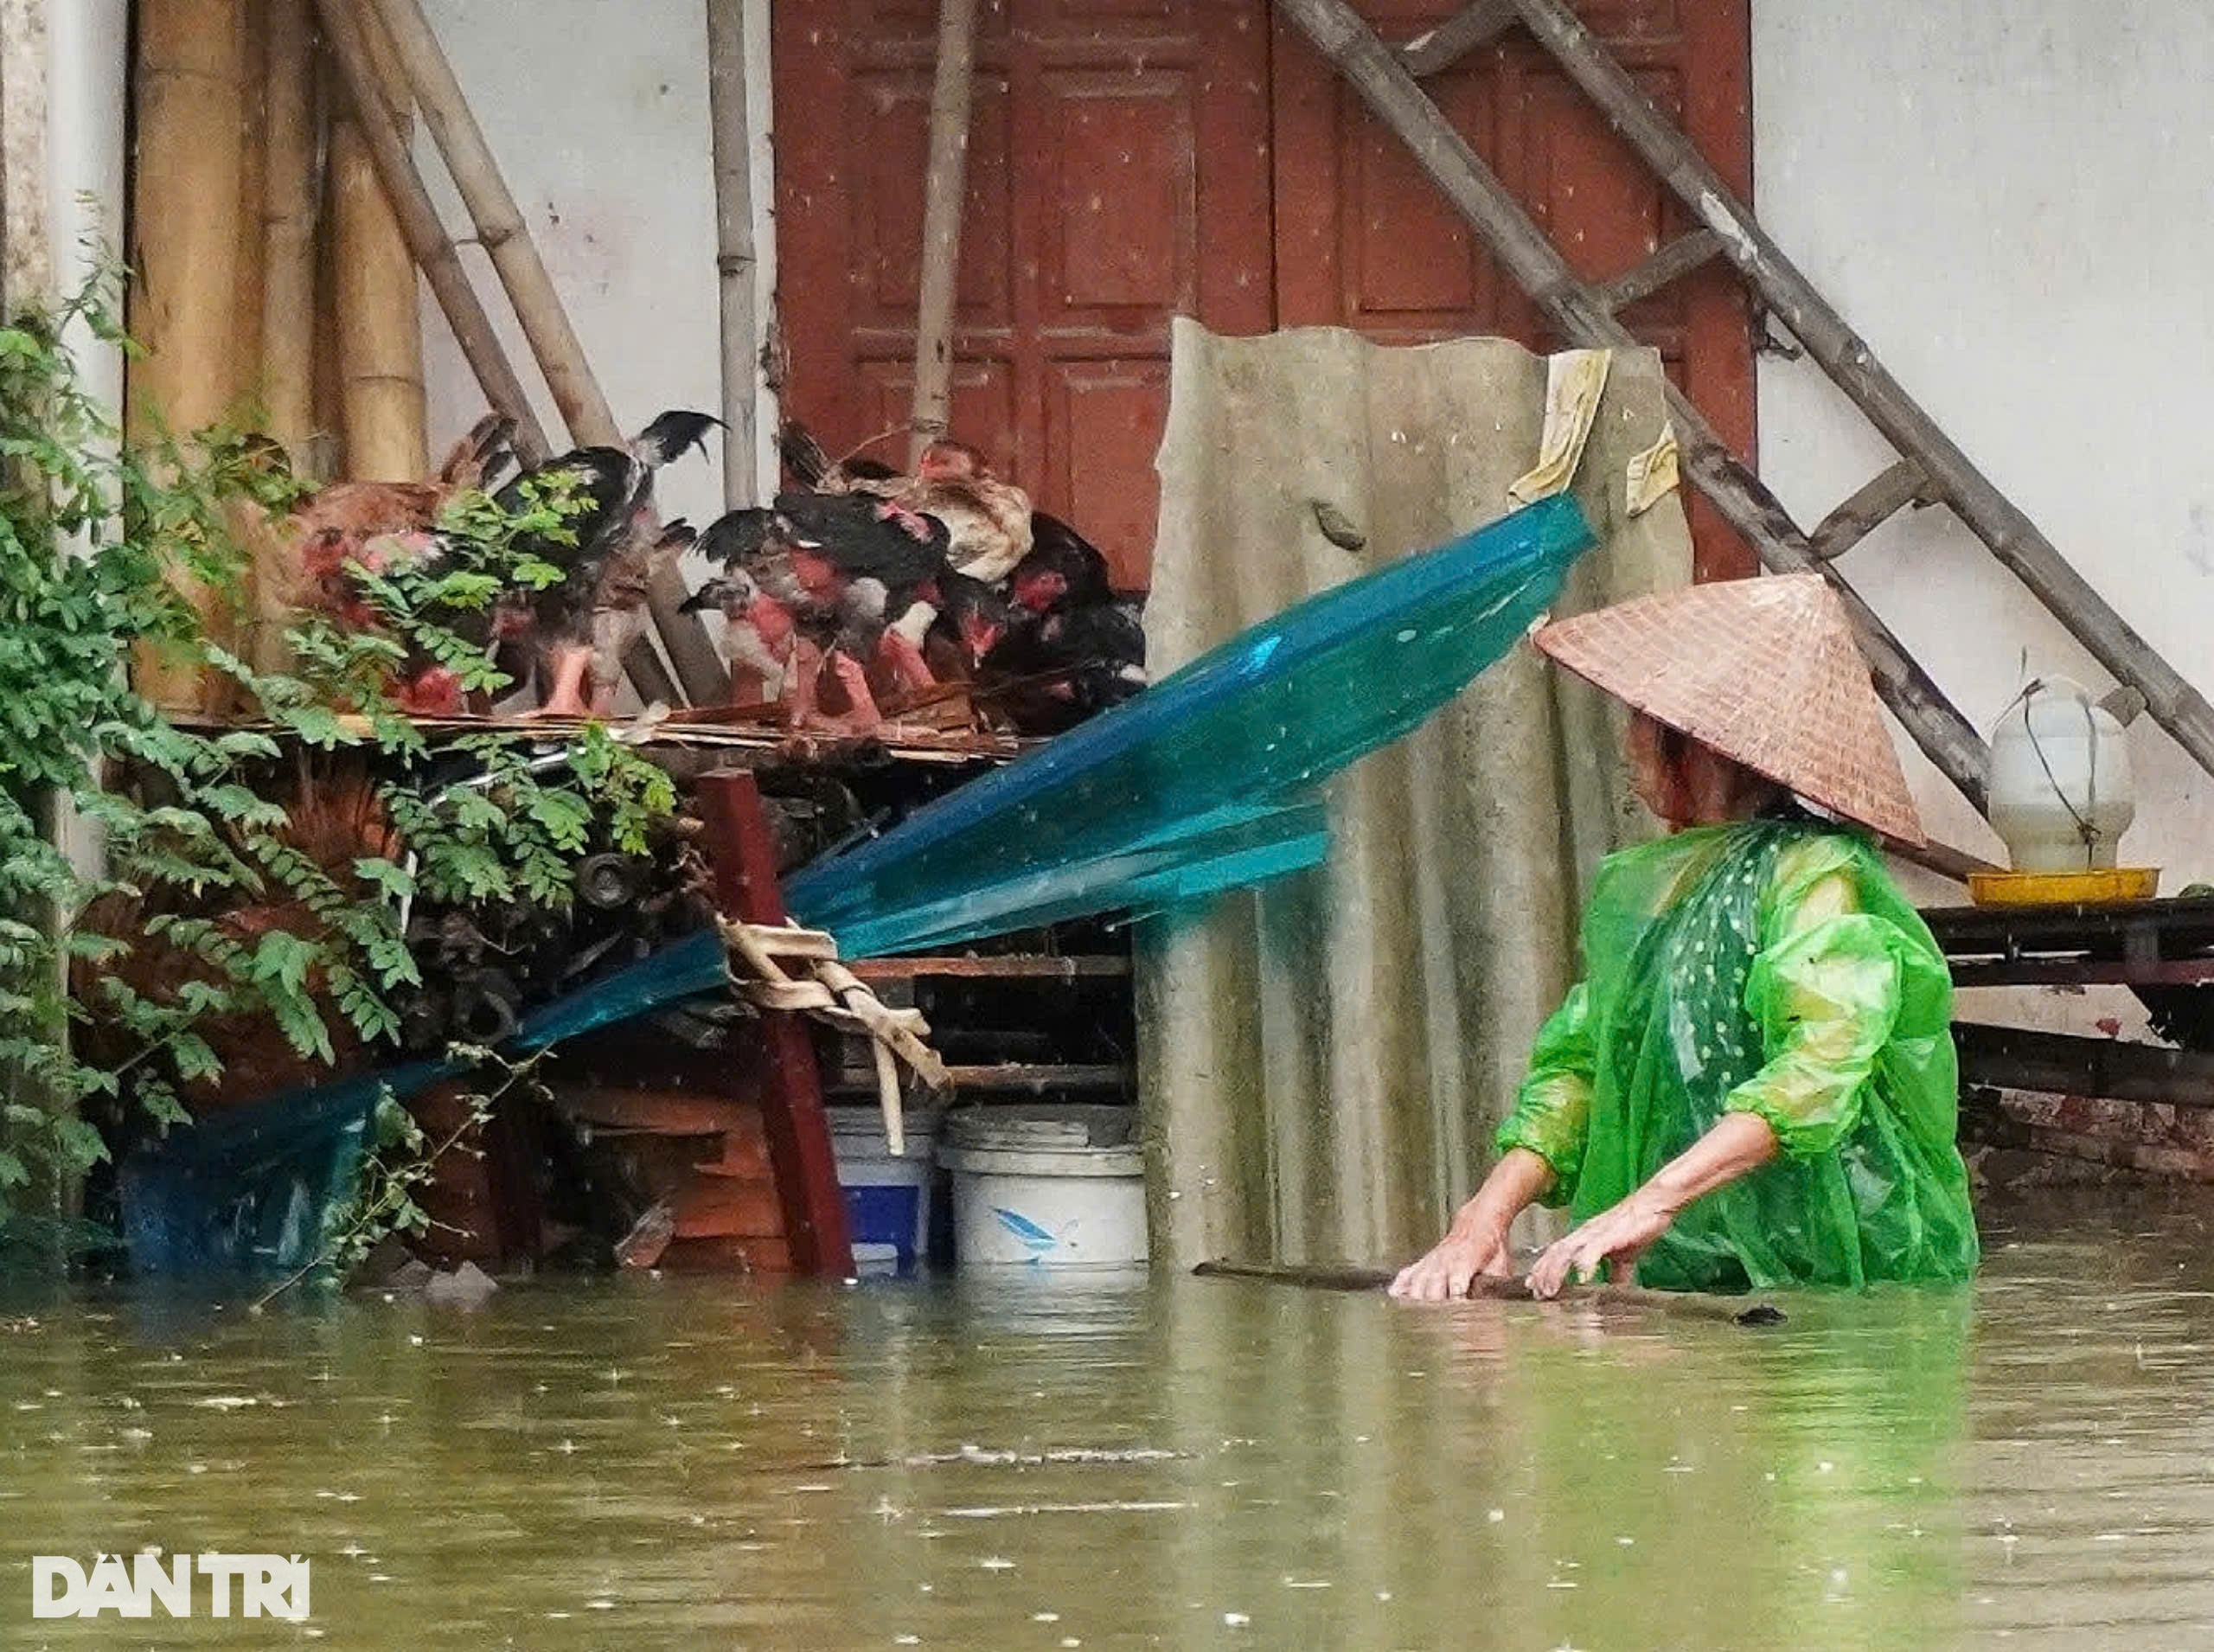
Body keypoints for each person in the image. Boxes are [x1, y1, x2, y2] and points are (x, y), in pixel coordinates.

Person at [1391, 573, 1978, 1301]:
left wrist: (1654, 1199)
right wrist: (1482, 1218)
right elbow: (1581, 1065)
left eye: (1641, 721)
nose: (1629, 749)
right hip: (1676, 1266)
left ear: (1695, 745)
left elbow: (1821, 1065)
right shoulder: (1657, 889)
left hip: (1833, 1274)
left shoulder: (1814, 877)